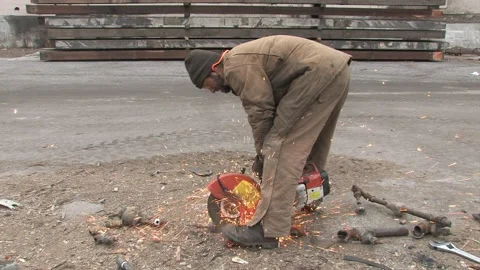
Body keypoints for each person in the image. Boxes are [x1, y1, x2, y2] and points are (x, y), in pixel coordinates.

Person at [184, 35, 352, 248]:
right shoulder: (242, 60)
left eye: (206, 85)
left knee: (279, 146)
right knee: (310, 140)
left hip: (317, 74)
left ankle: (267, 230)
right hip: (335, 71)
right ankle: (308, 195)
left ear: (213, 69)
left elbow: (261, 112)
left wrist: (264, 153)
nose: (212, 90)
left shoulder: (235, 66)